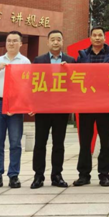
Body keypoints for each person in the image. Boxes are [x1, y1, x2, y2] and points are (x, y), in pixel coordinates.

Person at [0, 31, 30, 189]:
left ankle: (13, 175)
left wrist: (24, 104)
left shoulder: (25, 62)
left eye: (15, 41)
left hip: (16, 105)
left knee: (15, 142)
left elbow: (28, 86)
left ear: (20, 44)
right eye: (9, 40)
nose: (11, 43)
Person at [30, 30, 75, 189]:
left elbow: (75, 84)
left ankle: (57, 175)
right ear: (48, 42)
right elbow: (33, 84)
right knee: (40, 143)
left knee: (58, 144)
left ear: (62, 42)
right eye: (53, 40)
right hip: (43, 108)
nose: (56, 42)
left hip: (61, 109)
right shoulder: (39, 60)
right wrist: (32, 104)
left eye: (58, 39)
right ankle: (38, 176)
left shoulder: (70, 61)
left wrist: (68, 70)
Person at [74, 26, 109, 187]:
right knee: (85, 141)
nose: (97, 38)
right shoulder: (83, 56)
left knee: (105, 141)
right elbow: (75, 76)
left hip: (104, 103)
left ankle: (104, 175)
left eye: (100, 35)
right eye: (95, 35)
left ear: (104, 38)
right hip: (86, 104)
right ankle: (83, 175)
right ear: (90, 38)